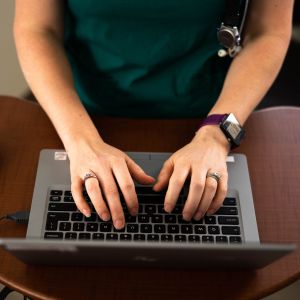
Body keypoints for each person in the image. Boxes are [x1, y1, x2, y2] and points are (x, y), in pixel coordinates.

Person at [14, 0, 294, 230]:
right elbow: (37, 28)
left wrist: (216, 134)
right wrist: (80, 142)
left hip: (211, 112)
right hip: (83, 113)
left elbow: (266, 31)